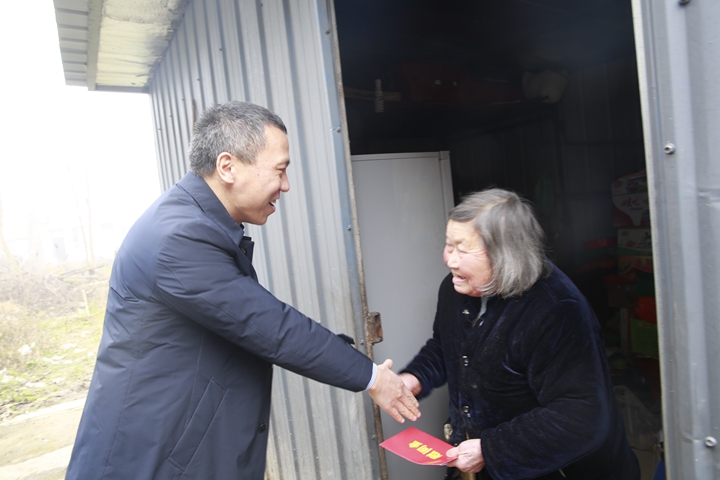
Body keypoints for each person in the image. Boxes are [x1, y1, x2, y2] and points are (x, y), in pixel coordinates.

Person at [66, 101, 420, 480]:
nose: (286, 185)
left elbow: (250, 323)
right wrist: (371, 377)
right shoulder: (177, 238)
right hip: (146, 461)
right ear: (228, 167)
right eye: (280, 170)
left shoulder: (196, 223)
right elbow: (268, 326)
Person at [399, 188, 640, 480]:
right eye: (449, 245)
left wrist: (490, 450)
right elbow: (445, 345)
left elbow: (580, 416)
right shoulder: (455, 288)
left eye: (463, 249)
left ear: (504, 254)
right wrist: (414, 378)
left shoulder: (555, 308)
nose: (451, 260)